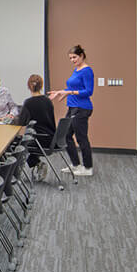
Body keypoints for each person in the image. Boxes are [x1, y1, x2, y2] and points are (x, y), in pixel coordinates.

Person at [50, 44, 95, 177]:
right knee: (65, 136)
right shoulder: (76, 70)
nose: (72, 60)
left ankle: (88, 168)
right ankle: (76, 165)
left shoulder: (86, 71)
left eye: (74, 57)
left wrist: (69, 92)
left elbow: (88, 91)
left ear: (81, 56)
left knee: (81, 138)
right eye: (70, 58)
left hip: (81, 108)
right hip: (73, 108)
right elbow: (72, 87)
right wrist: (60, 92)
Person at [18, 75, 57, 179]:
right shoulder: (47, 101)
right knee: (26, 140)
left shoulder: (28, 103)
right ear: (41, 85)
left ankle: (15, 172)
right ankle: (37, 164)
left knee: (17, 143)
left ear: (28, 86)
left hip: (39, 140)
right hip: (51, 138)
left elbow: (21, 122)